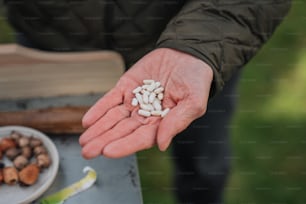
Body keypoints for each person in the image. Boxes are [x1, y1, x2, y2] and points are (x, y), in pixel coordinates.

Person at [5, 0, 291, 203]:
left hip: (200, 47)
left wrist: (200, 47)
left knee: (205, 162)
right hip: (52, 43)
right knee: (84, 162)